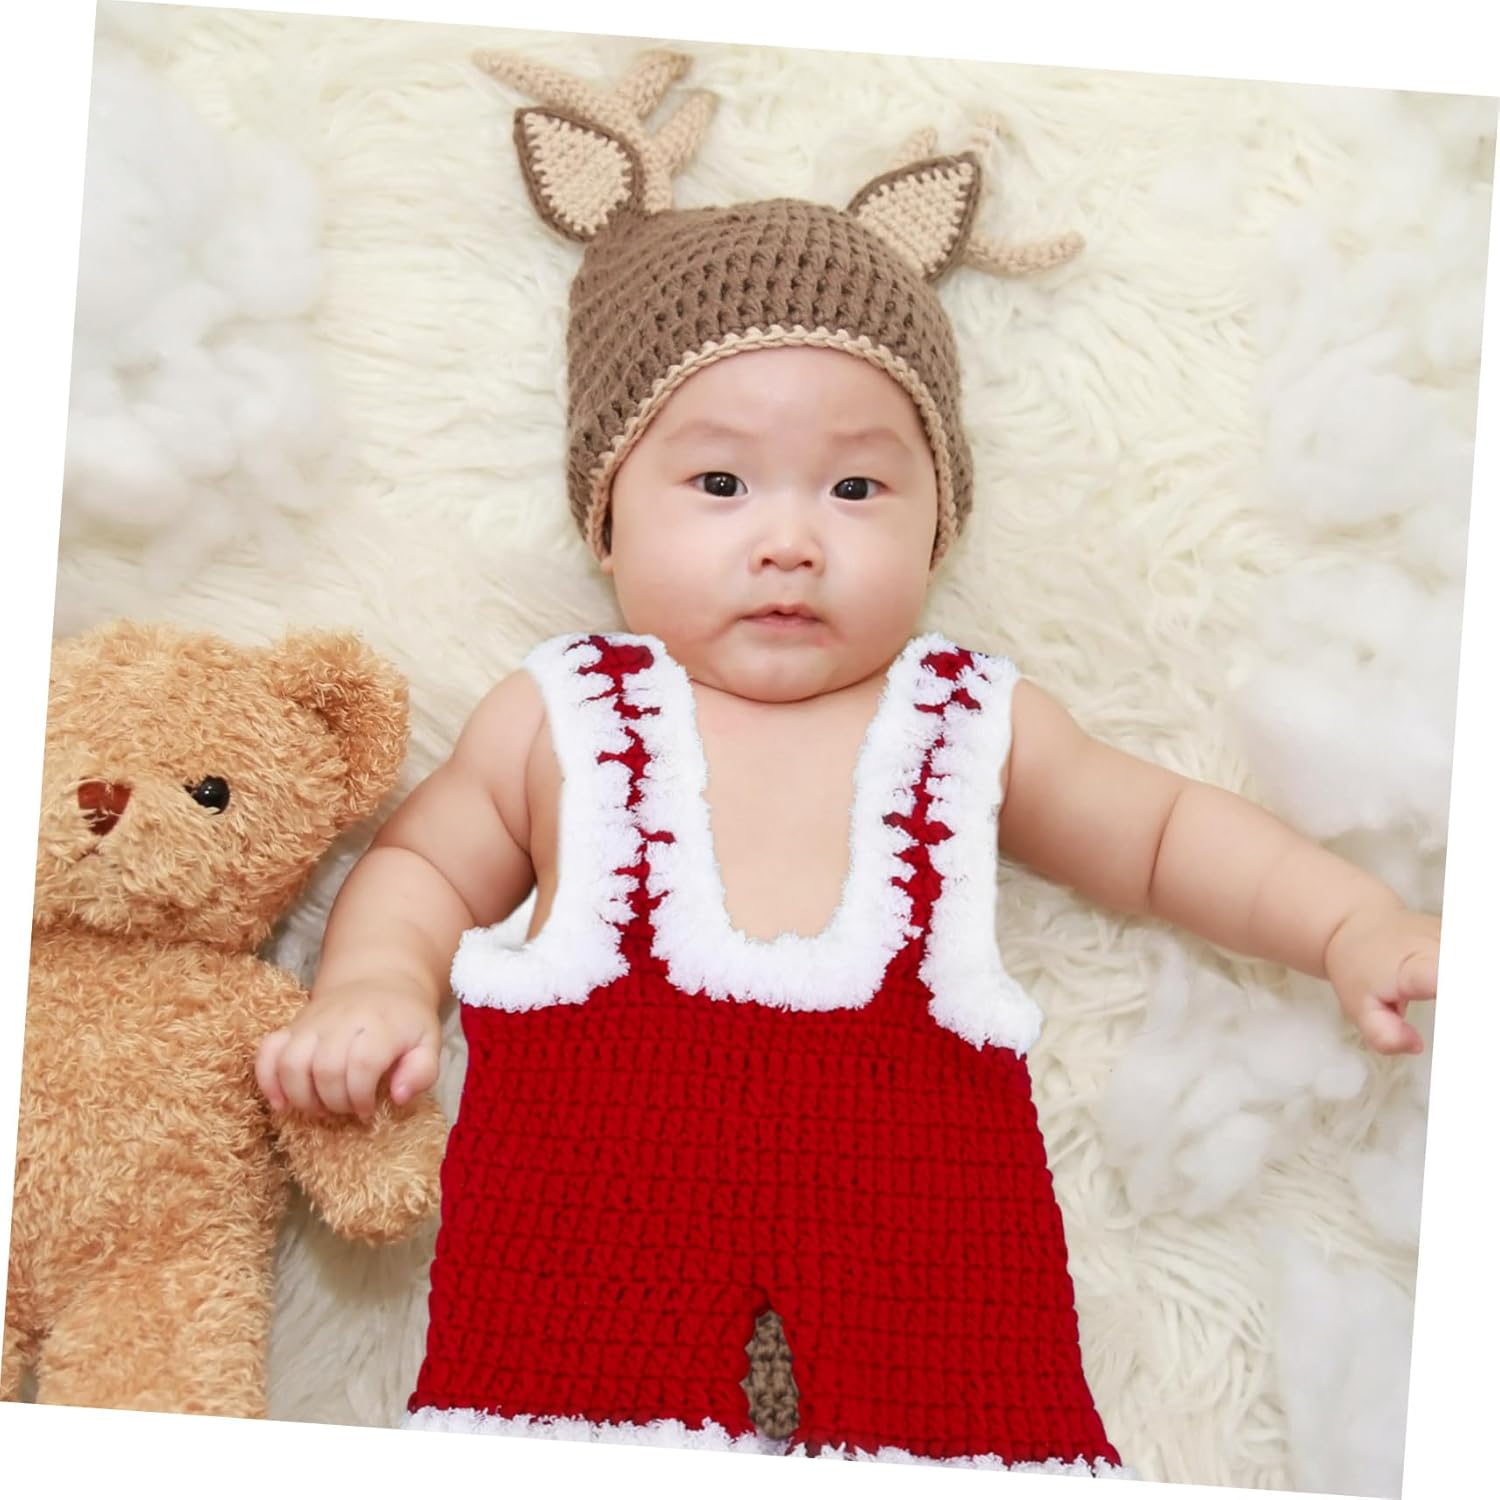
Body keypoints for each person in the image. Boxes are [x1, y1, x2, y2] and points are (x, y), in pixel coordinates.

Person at [254, 48, 1439, 1473]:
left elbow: (1165, 835)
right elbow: (424, 868)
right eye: (719, 483)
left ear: (940, 523)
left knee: (973, 1432)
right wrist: (374, 986)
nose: (791, 539)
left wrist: (1347, 923)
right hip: (585, 1236)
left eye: (858, 486)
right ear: (607, 518)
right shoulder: (566, 713)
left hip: (927, 1249)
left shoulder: (964, 717)